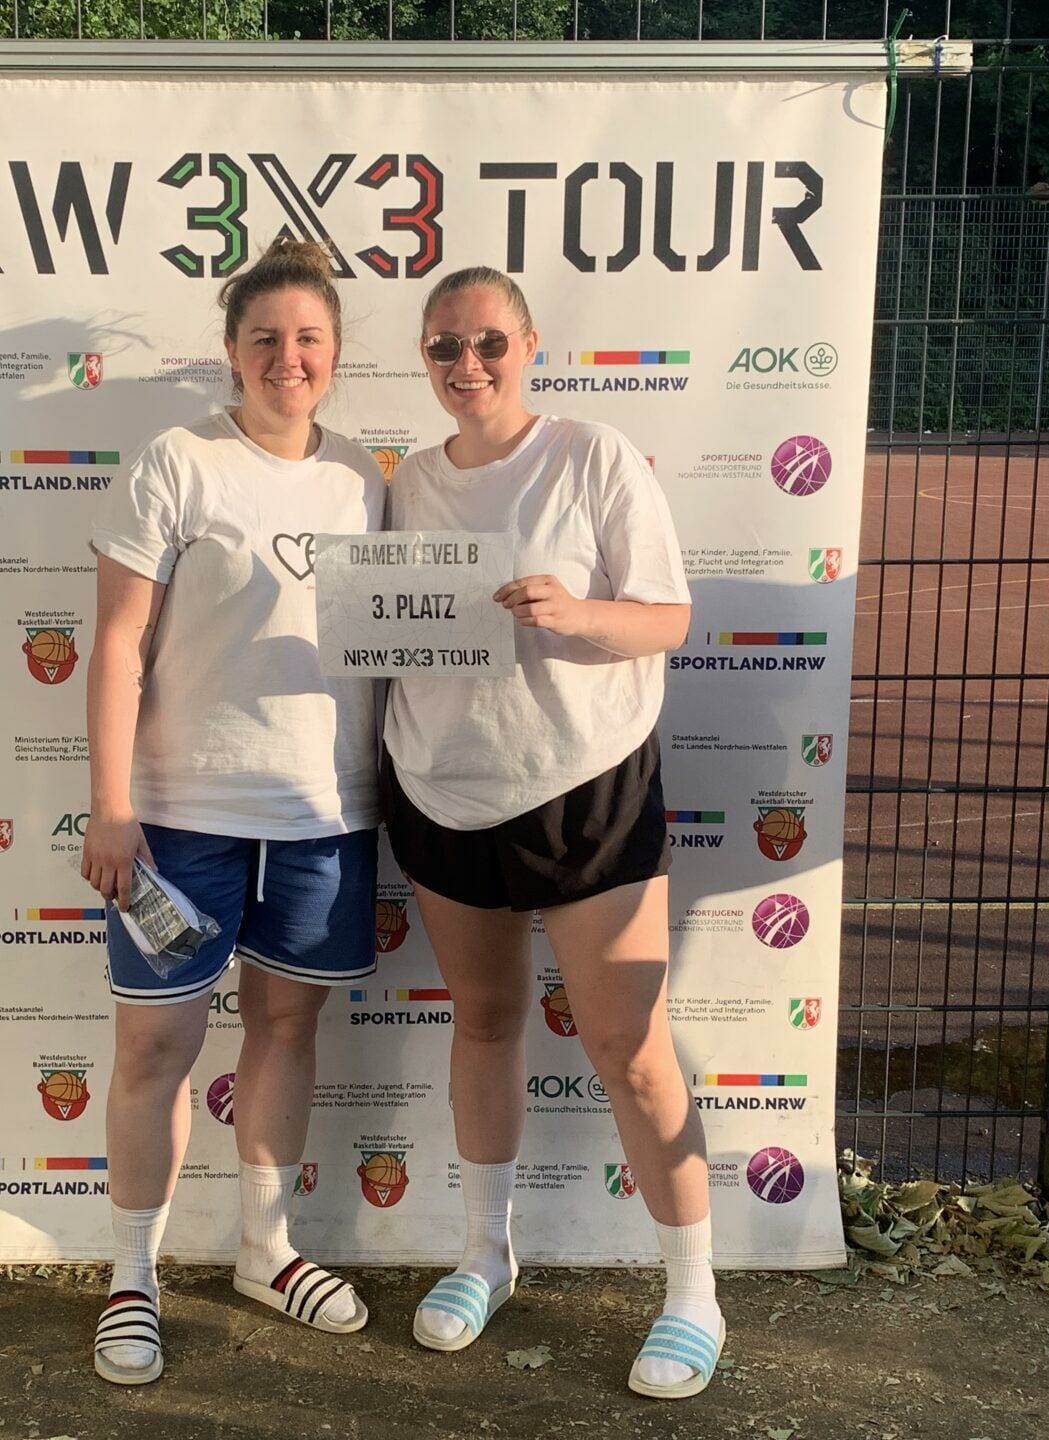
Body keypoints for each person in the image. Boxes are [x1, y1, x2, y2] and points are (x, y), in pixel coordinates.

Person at [381, 266, 720, 1399]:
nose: (467, 364)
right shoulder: (405, 483)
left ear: (530, 345)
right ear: (424, 359)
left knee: (630, 1046)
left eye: (488, 341)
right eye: (444, 346)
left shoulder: (593, 455)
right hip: (443, 790)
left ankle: (693, 1291)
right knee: (483, 1022)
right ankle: (486, 1252)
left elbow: (669, 617)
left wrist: (575, 615)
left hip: (586, 787)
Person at [80, 238, 385, 1385]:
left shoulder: (368, 479)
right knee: (155, 1046)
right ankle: (133, 1277)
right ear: (231, 349)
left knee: (286, 1029)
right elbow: (118, 645)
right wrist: (110, 804)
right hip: (179, 818)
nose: (287, 357)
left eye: (308, 338)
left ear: (335, 352)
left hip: (322, 815)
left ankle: (266, 1249)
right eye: (265, 338)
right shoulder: (177, 461)